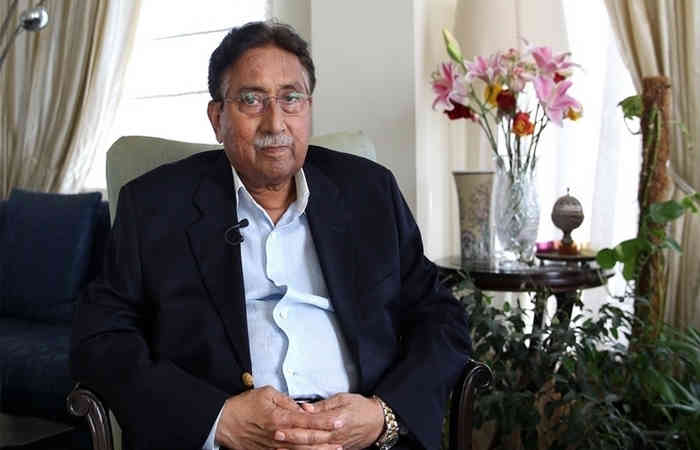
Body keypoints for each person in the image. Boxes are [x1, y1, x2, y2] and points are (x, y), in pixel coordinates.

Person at [71, 21, 470, 450]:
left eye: (291, 98)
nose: (275, 122)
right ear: (217, 118)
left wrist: (384, 415)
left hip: (361, 440)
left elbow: (441, 317)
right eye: (251, 100)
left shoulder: (369, 192)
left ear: (308, 108)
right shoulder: (154, 206)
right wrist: (216, 420)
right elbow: (100, 337)